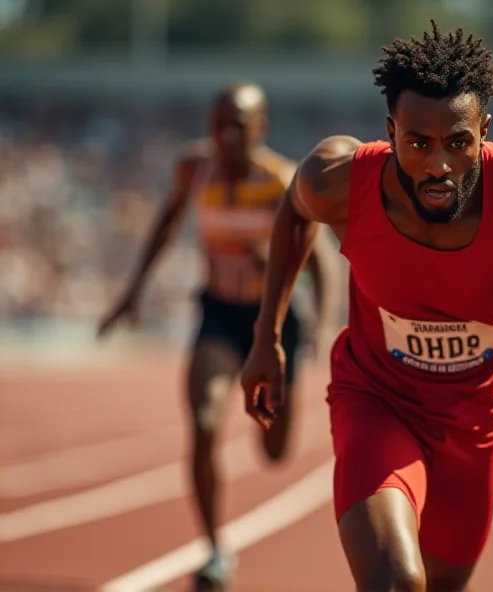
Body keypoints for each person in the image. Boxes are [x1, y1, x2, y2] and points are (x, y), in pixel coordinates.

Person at [241, 22, 493, 592]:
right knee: (397, 581)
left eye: (458, 142)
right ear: (390, 131)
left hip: (474, 427)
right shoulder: (341, 180)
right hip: (376, 401)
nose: (438, 166)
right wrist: (267, 337)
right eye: (417, 142)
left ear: (484, 131)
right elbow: (294, 208)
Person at [97, 81, 340, 590]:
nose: (227, 137)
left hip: (274, 323)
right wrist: (132, 290)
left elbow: (321, 260)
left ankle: (273, 403)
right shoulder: (193, 169)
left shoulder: (281, 180)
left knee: (274, 453)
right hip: (219, 313)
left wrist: (319, 324)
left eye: (238, 127)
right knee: (204, 423)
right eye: (218, 127)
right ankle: (214, 549)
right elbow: (166, 223)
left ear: (260, 129)